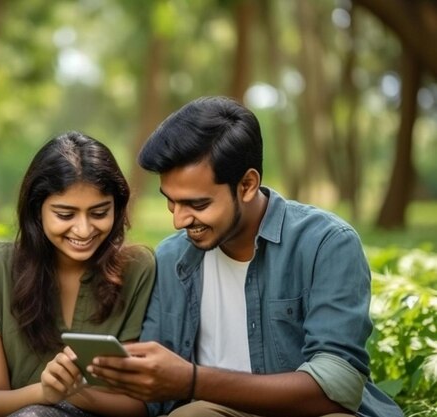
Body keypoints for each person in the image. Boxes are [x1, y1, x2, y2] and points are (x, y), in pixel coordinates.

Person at [87, 97, 404, 417]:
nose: (179, 220)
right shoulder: (171, 258)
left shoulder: (326, 244)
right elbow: (154, 398)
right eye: (171, 202)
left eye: (197, 204)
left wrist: (192, 381)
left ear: (248, 185)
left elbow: (338, 386)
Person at [0, 131, 155, 417]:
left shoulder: (136, 267)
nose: (84, 230)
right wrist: (45, 392)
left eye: (99, 213)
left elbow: (137, 407)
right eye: (65, 214)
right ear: (37, 211)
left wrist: (75, 393)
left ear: (117, 208)